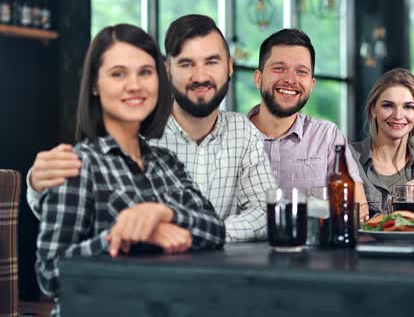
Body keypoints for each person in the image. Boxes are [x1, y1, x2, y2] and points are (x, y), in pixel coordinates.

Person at [27, 15, 276, 242]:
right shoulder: (124, 138)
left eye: (211, 62)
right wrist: (37, 185)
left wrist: (190, 231)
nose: (200, 76)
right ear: (167, 71)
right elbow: (61, 250)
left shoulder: (231, 135)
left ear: (229, 67)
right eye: (187, 64)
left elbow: (266, 211)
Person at [35, 24, 225, 314]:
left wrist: (162, 213)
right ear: (95, 85)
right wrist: (129, 238)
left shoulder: (167, 163)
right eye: (118, 74)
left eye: (145, 73)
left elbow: (214, 231)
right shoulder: (77, 165)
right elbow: (51, 274)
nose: (135, 85)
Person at [247, 28, 369, 221]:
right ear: (258, 78)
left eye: (301, 71)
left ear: (311, 84)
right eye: (279, 68)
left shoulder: (327, 136)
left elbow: (357, 210)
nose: (290, 79)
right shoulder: (232, 137)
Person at [349, 68, 414, 216]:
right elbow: (348, 223)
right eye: (387, 105)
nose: (398, 115)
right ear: (374, 109)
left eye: (408, 107)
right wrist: (398, 202)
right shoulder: (349, 158)